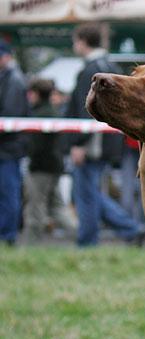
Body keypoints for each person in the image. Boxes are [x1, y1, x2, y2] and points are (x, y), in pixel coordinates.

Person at [64, 22, 145, 247]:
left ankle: (88, 242)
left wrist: (79, 143)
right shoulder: (109, 65)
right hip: (106, 142)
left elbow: (87, 109)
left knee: (86, 195)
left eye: (75, 41)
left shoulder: (91, 70)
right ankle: (131, 228)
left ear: (82, 42)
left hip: (91, 144)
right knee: (90, 193)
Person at [21, 78, 78, 243]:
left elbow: (35, 147)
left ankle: (30, 247)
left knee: (34, 209)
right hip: (54, 167)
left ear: (36, 94)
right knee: (58, 208)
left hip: (40, 168)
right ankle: (81, 235)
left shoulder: (40, 115)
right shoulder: (52, 112)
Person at [0, 40, 29, 246]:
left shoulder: (14, 80)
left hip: (9, 148)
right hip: (7, 148)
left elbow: (10, 115)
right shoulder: (8, 78)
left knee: (9, 194)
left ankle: (8, 236)